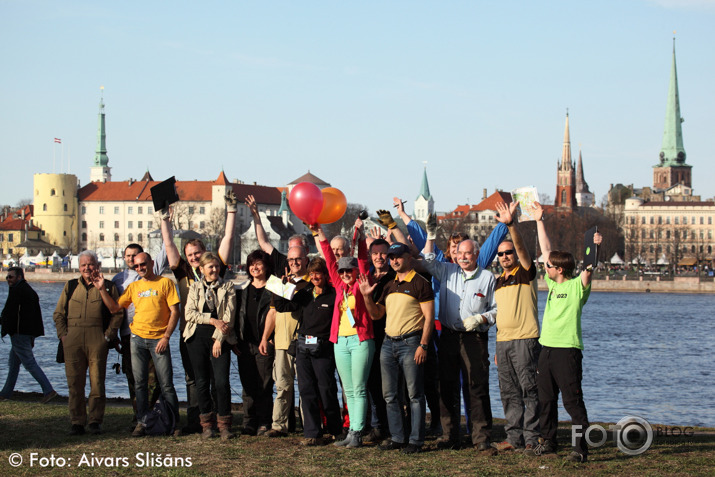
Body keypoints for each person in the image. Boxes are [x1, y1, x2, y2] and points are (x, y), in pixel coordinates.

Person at [530, 202, 602, 464]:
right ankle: (547, 442)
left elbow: (589, 269)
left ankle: (580, 449)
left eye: (548, 266)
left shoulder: (576, 287)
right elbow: (546, 249)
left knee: (573, 402)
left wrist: (595, 246)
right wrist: (540, 220)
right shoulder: (551, 283)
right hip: (546, 349)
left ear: (559, 269)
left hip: (567, 350)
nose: (544, 267)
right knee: (546, 400)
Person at [161, 191, 237, 434]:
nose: (194, 258)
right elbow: (169, 244)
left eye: (197, 254)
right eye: (190, 255)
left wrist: (232, 211)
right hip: (191, 332)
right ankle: (197, 422)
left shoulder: (214, 269)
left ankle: (219, 421)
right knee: (194, 379)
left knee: (218, 380)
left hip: (217, 335)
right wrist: (164, 219)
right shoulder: (183, 272)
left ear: (205, 254)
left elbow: (227, 238)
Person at [421, 229, 498, 454]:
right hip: (448, 335)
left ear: (476, 254)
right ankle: (450, 435)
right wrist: (431, 236)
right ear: (455, 255)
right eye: (460, 253)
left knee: (477, 385)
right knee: (446, 385)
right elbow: (427, 261)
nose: (463, 257)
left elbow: (496, 309)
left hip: (474, 337)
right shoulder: (446, 270)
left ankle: (481, 437)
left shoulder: (487, 278)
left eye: (468, 254)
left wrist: (483, 318)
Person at [93, 252, 181, 437]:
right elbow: (115, 308)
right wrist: (101, 289)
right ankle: (142, 422)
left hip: (159, 340)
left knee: (166, 384)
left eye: (143, 264)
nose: (140, 268)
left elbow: (175, 312)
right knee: (139, 384)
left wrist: (166, 337)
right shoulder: (133, 287)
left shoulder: (165, 283)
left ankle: (174, 423)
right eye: (137, 266)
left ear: (151, 263)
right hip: (137, 340)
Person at [360, 243, 435, 455]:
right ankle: (397, 437)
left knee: (414, 395)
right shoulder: (389, 285)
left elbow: (429, 318)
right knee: (390, 395)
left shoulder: (421, 283)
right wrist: (366, 296)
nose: (394, 260)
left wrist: (423, 345)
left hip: (411, 343)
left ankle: (416, 440)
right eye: (391, 257)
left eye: (398, 256)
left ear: (408, 257)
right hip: (388, 344)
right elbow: (376, 315)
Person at [311, 219, 374, 448]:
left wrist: (360, 233)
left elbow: (363, 257)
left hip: (360, 341)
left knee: (358, 388)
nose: (346, 273)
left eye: (350, 270)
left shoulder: (360, 283)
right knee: (348, 389)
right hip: (340, 342)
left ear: (356, 271)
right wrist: (321, 234)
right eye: (343, 270)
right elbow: (328, 258)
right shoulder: (338, 285)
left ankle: (357, 432)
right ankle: (350, 432)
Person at [273, 257, 342, 446]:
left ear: (326, 274)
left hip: (324, 349)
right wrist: (282, 287)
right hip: (303, 348)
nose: (314, 277)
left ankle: (336, 430)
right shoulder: (305, 293)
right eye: (311, 274)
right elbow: (282, 306)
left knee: (327, 390)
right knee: (306, 390)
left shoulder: (334, 294)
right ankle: (312, 433)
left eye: (318, 273)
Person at [53, 251, 124, 435]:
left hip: (97, 338)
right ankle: (77, 422)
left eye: (90, 264)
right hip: (72, 339)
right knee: (74, 383)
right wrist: (63, 336)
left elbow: (117, 314)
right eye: (83, 265)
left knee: (97, 382)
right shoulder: (70, 286)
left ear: (97, 265)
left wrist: (108, 337)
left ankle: (94, 421)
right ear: (79, 267)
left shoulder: (107, 286)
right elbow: (58, 314)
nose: (87, 268)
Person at [491, 202, 541, 452]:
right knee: (508, 392)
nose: (504, 257)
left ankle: (531, 438)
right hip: (504, 342)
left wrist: (511, 225)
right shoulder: (498, 282)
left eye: (507, 252)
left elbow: (522, 250)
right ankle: (513, 438)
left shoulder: (526, 272)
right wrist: (498, 348)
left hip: (526, 340)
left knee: (529, 390)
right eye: (500, 254)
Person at [111, 243, 167, 428]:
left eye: (134, 255)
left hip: (153, 334)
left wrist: (166, 221)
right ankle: (139, 415)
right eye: (127, 255)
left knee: (155, 378)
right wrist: (113, 334)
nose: (131, 259)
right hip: (128, 335)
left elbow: (166, 249)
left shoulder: (151, 272)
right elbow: (113, 309)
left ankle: (152, 413)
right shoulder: (118, 279)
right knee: (133, 377)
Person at [184, 252, 237, 440]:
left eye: (216, 266)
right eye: (210, 267)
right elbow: (189, 314)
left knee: (221, 382)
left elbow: (229, 318)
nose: (214, 270)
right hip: (196, 338)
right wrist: (212, 320)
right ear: (202, 269)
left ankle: (224, 424)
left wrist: (218, 340)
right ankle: (207, 424)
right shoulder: (195, 288)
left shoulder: (228, 287)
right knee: (201, 382)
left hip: (219, 339)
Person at [259, 245, 309, 437]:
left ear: (306, 260)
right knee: (282, 385)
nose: (294, 263)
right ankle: (279, 425)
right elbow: (272, 312)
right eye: (290, 260)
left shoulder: (311, 281)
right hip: (281, 342)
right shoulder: (279, 282)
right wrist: (265, 337)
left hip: (303, 342)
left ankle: (309, 425)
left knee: (305, 386)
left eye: (298, 259)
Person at [0, 267, 57, 403]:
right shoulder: (27, 290)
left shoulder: (18, 291)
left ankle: (48, 390)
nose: (8, 279)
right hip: (25, 333)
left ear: (19, 277)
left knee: (29, 363)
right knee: (13, 364)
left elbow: (10, 313)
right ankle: (5, 394)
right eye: (7, 277)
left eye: (11, 277)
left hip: (19, 333)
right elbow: (34, 316)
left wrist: (4, 323)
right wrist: (33, 335)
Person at [236, 249, 275, 436]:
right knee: (248, 384)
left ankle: (264, 421)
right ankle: (249, 421)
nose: (255, 267)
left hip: (265, 343)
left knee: (265, 384)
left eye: (258, 263)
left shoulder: (274, 287)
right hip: (245, 343)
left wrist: (268, 338)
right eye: (251, 264)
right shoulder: (243, 289)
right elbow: (237, 316)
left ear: (266, 266)